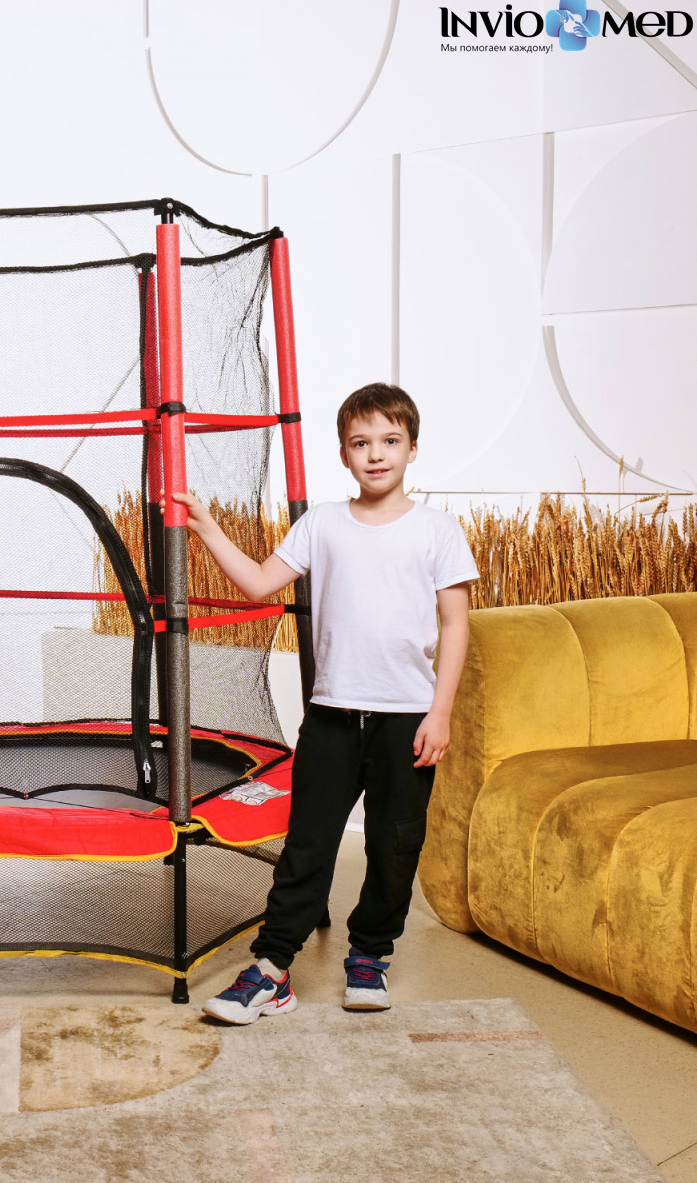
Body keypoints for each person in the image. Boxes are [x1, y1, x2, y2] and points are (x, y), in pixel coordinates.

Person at [175, 383, 478, 1024]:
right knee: (307, 847)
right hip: (332, 717)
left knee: (394, 847)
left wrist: (441, 711)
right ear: (344, 454)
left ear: (412, 449)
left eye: (390, 441)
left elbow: (456, 625)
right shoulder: (322, 523)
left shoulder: (438, 531)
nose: (376, 454)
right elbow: (259, 583)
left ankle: (369, 957)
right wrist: (208, 528)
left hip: (407, 721)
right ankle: (270, 970)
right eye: (361, 443)